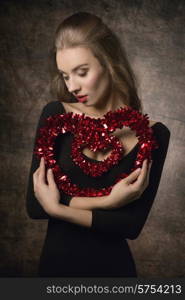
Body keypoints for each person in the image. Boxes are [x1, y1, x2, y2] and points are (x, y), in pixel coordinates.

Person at [26, 12, 170, 277]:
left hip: (113, 272)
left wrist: (56, 207)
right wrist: (108, 201)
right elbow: (35, 206)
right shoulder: (56, 114)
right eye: (65, 75)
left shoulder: (154, 135)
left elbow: (130, 226)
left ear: (109, 63)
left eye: (82, 72)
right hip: (55, 269)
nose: (73, 86)